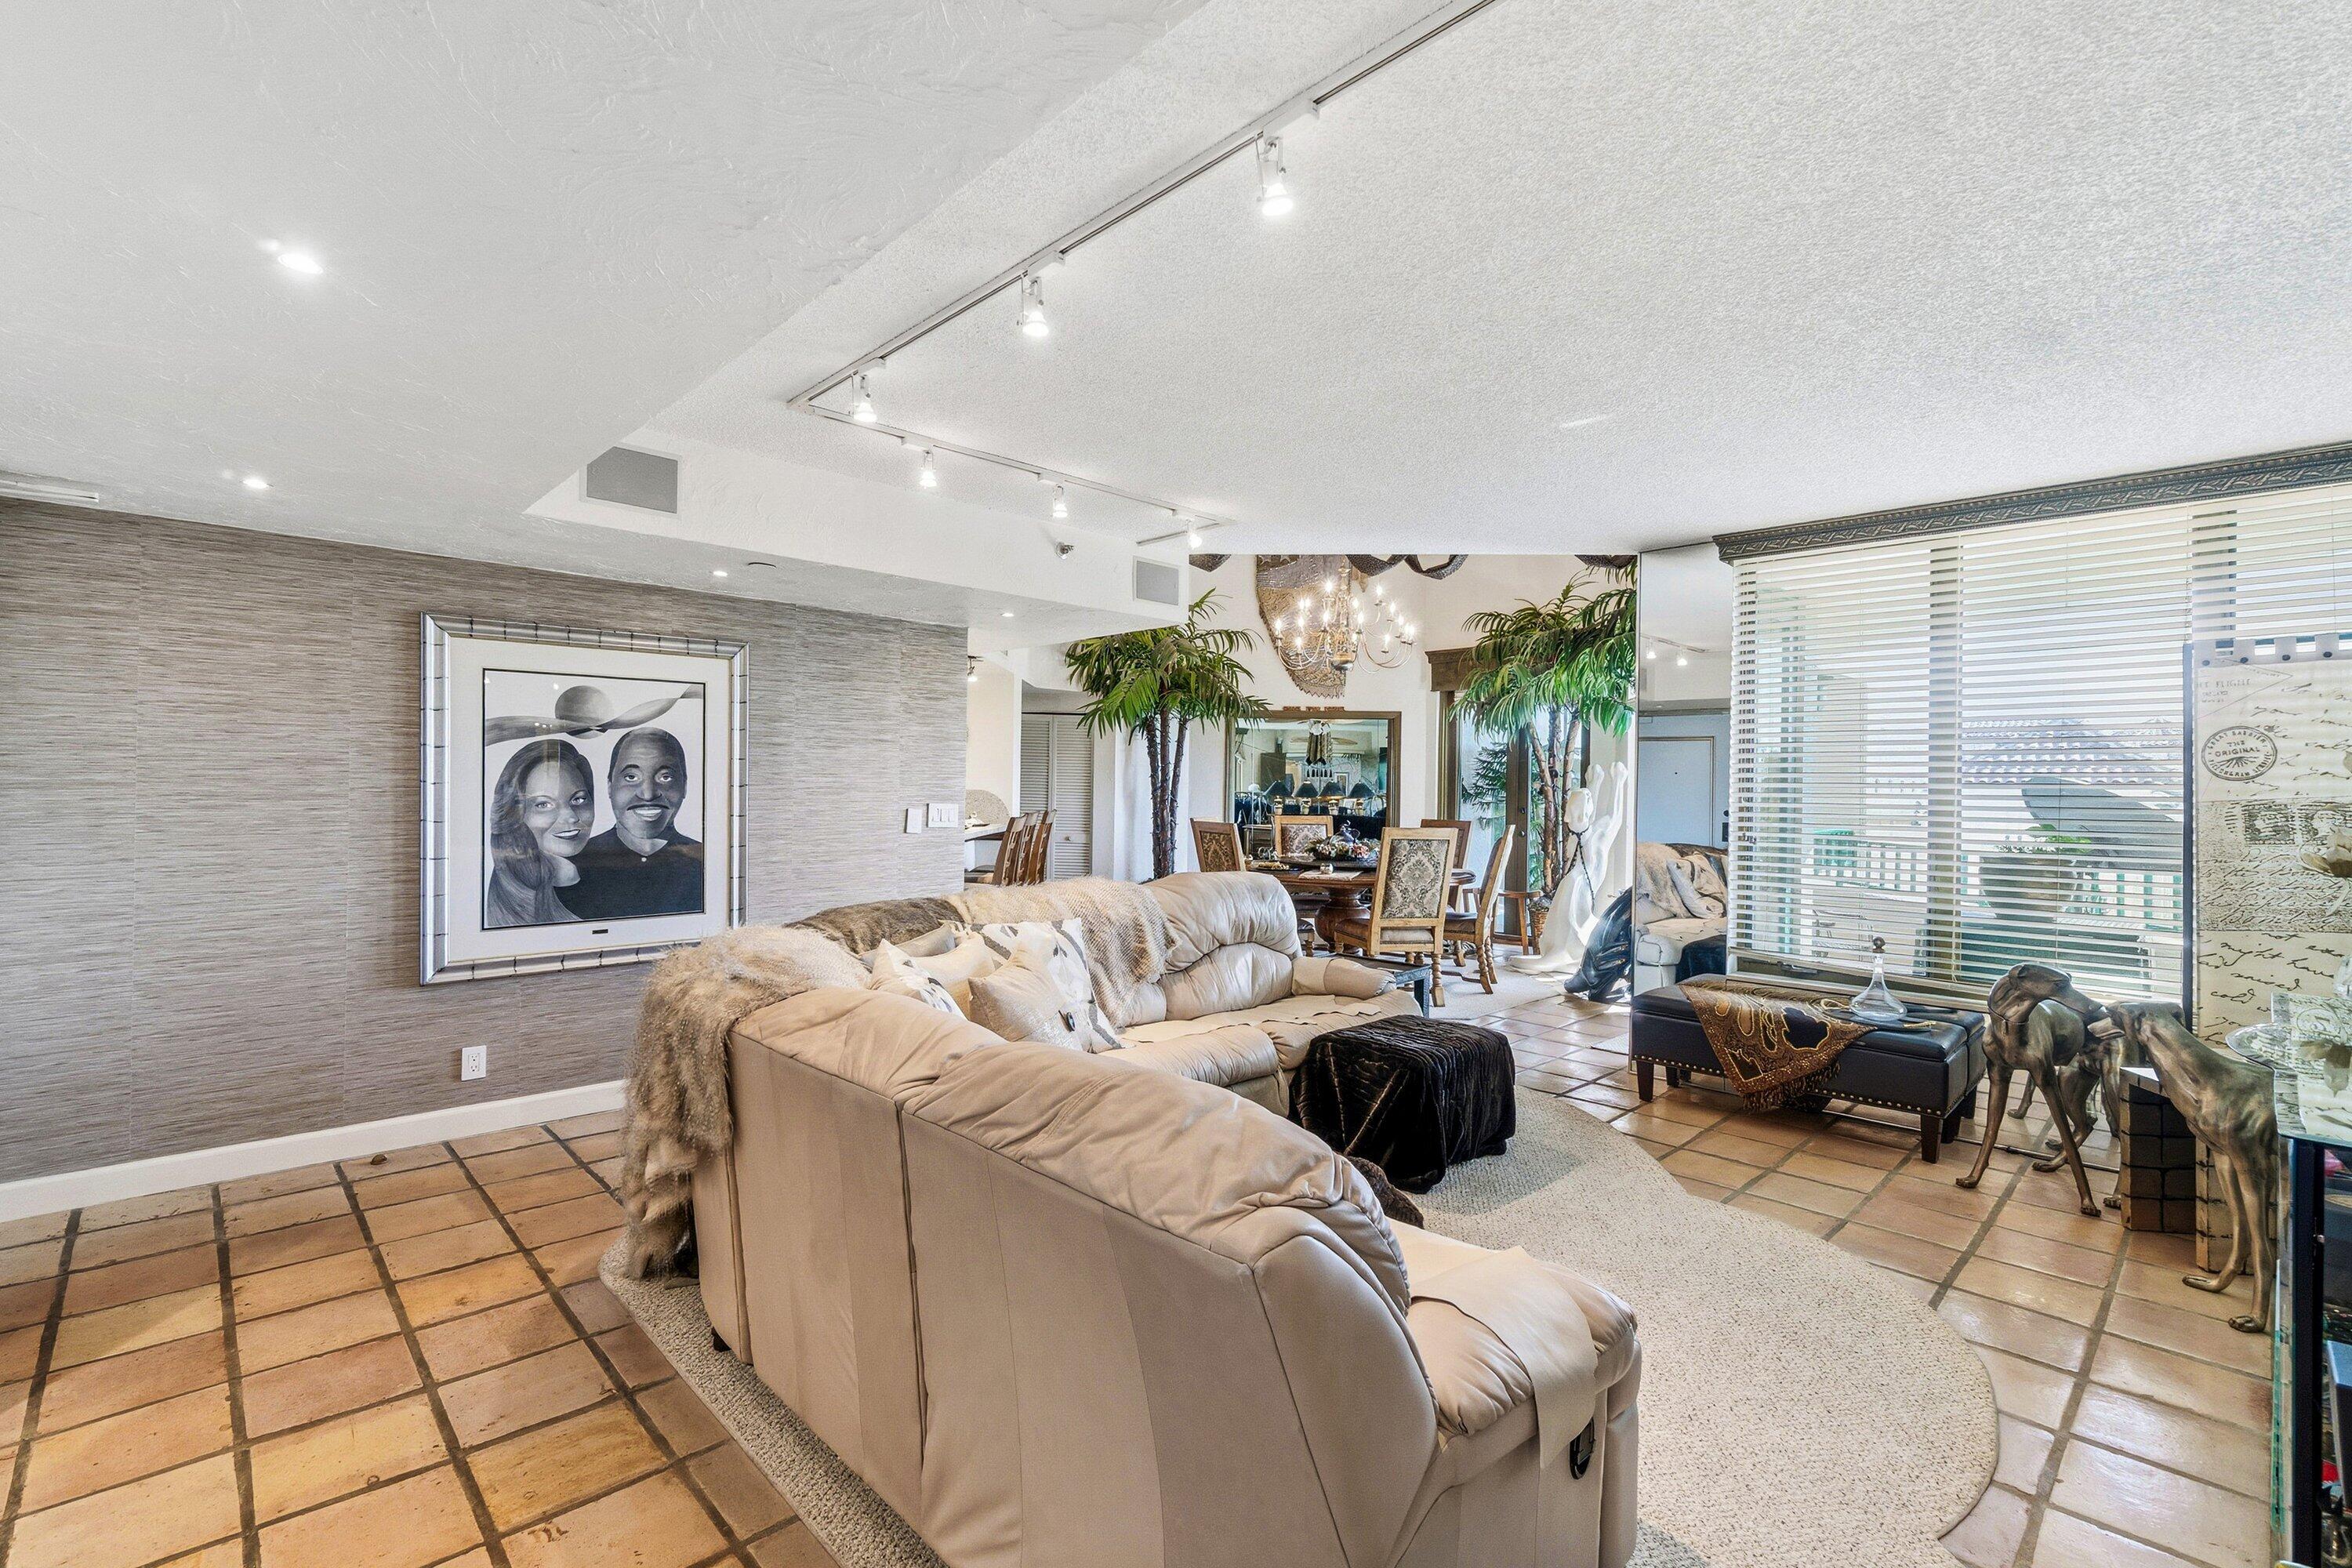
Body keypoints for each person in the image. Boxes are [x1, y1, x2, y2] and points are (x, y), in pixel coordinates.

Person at [564, 726, 704, 920]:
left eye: (665, 777)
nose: (648, 794)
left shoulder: (705, 863)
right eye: (631, 777)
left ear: (685, 786)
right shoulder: (572, 865)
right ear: (610, 788)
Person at [484, 739, 594, 928]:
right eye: (543, 805)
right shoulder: (517, 895)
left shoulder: (601, 872)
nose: (570, 817)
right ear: (515, 814)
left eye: (579, 799)